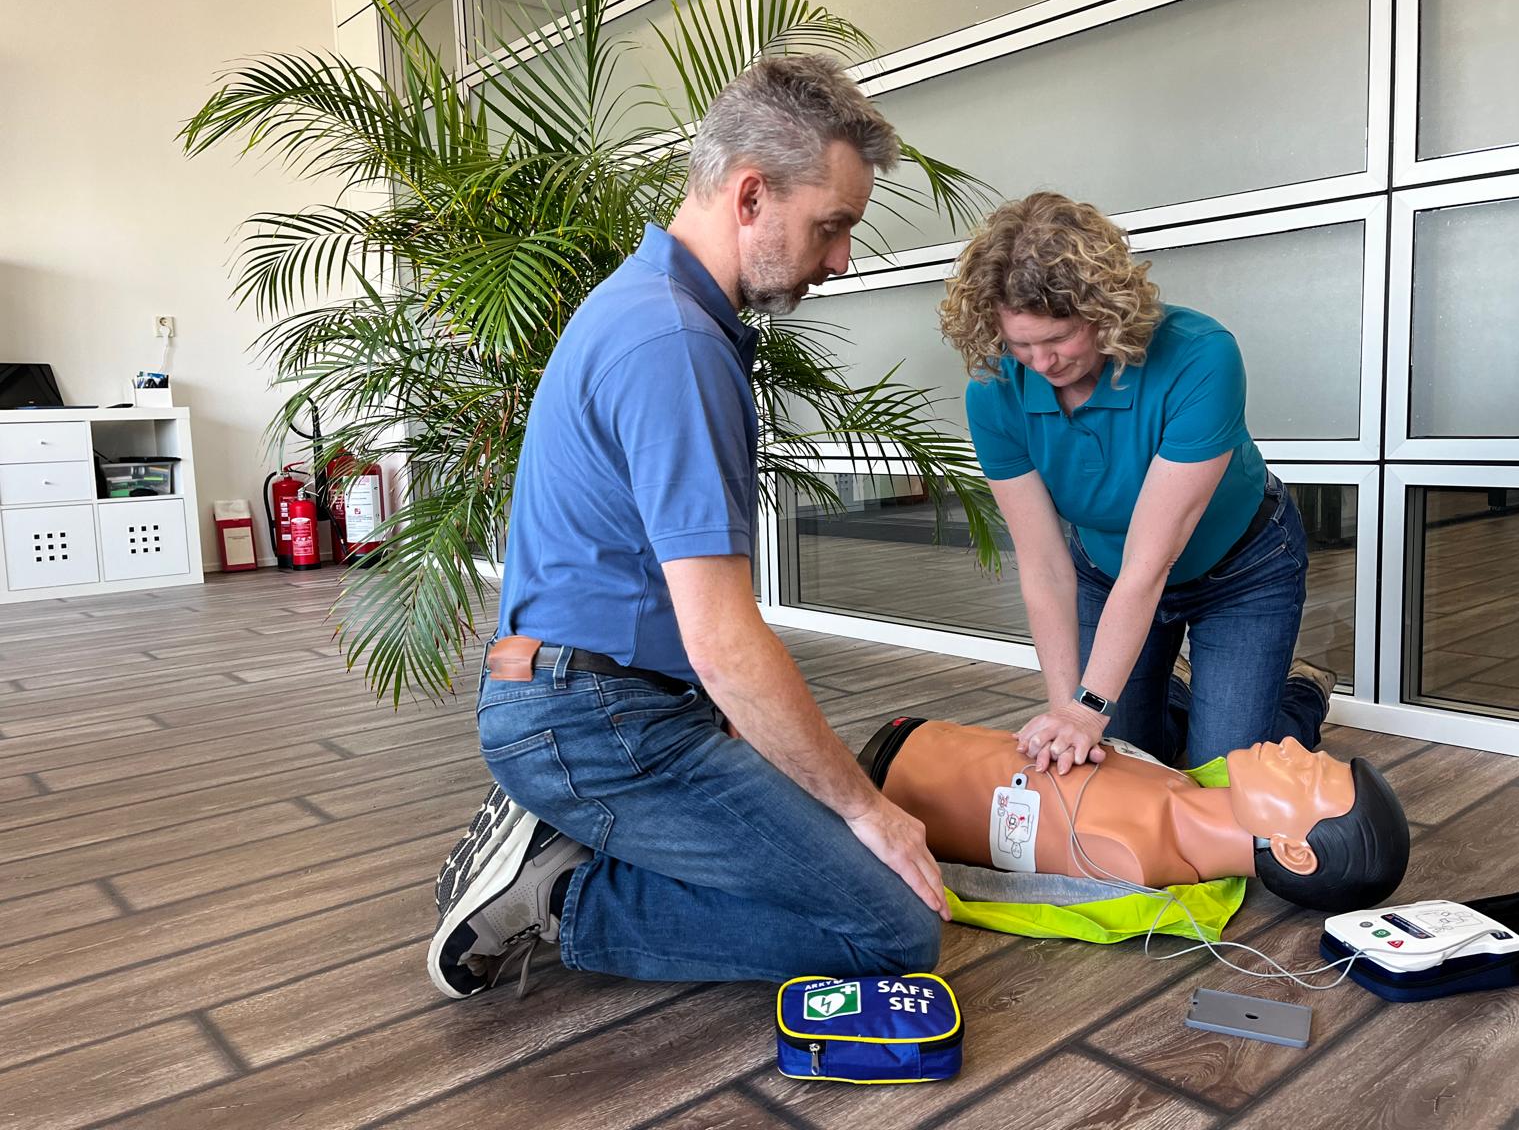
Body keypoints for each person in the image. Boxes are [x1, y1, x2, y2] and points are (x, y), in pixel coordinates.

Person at [426, 56, 949, 1000]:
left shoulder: (645, 303)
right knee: (893, 928)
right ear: (751, 195)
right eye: (831, 226)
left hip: (596, 701)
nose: (840, 260)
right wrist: (867, 809)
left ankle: (573, 839)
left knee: (826, 848)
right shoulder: (675, 344)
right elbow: (722, 639)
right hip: (594, 723)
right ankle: (560, 898)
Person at [939, 192, 1336, 776]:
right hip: (1105, 571)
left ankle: (1301, 693)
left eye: (1059, 338)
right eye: (1022, 345)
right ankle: (1177, 694)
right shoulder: (993, 392)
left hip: (1241, 571)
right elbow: (1045, 565)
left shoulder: (1200, 355)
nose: (1042, 364)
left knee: (1221, 772)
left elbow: (1150, 563)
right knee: (1118, 759)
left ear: (1104, 311)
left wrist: (1089, 706)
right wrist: (1069, 710)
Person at [858, 716, 1409, 913]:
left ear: (1292, 851)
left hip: (886, 783)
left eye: (1306, 774)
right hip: (923, 737)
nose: (1291, 745)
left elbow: (994, 887)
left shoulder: (1126, 856)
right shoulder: (1179, 783)